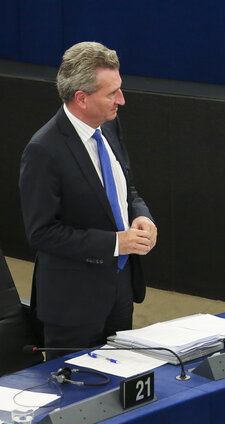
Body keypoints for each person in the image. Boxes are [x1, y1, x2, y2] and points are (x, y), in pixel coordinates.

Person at [19, 42, 157, 358]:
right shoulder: (43, 151)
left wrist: (142, 216)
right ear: (81, 98)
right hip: (73, 308)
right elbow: (42, 233)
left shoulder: (110, 125)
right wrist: (114, 243)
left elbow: (127, 190)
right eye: (112, 94)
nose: (121, 100)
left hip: (119, 292)